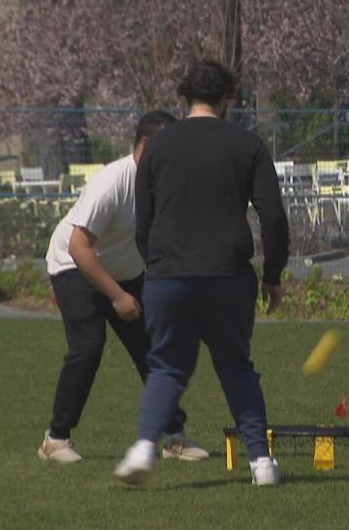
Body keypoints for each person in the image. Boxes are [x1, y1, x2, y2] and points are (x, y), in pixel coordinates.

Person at [114, 60, 289, 486]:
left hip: (168, 274)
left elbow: (144, 219)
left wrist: (154, 263)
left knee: (167, 367)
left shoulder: (157, 146)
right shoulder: (247, 144)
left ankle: (143, 446)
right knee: (236, 367)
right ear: (227, 99)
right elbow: (273, 218)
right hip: (228, 274)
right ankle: (261, 463)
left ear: (185, 97)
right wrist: (273, 273)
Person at [40, 111, 207, 464]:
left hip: (127, 271)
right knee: (88, 346)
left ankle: (173, 437)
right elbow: (78, 246)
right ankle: (55, 440)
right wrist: (116, 296)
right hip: (74, 264)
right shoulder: (111, 183)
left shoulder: (164, 182)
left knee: (155, 349)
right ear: (145, 146)